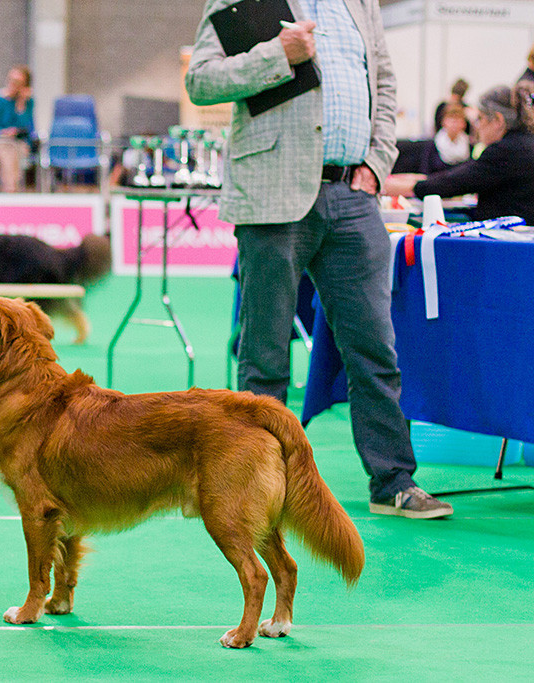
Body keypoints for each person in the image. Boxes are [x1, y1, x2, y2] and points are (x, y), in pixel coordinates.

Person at [187, 0, 453, 519]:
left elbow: (385, 80)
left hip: (354, 197)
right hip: (272, 193)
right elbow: (201, 82)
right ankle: (258, 488)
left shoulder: (360, 3)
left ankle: (394, 482)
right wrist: (276, 54)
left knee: (375, 349)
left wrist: (377, 162)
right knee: (264, 356)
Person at [385, 83, 534, 225]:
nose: (476, 125)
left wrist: (400, 187)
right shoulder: (524, 144)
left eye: (480, 118)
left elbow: (456, 182)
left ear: (498, 120)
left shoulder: (505, 150)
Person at [0, 65, 35, 193]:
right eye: (11, 80)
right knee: (7, 147)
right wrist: (3, 133)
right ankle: (11, 190)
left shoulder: (28, 102)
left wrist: (21, 103)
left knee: (12, 148)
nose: (13, 84)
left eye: (18, 82)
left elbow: (24, 124)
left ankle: (10, 189)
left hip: (18, 142)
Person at [421, 103, 471, 173]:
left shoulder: (469, 144)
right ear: (443, 122)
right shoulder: (433, 145)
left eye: (458, 119)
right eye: (451, 118)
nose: (454, 123)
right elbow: (426, 171)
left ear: (464, 124)